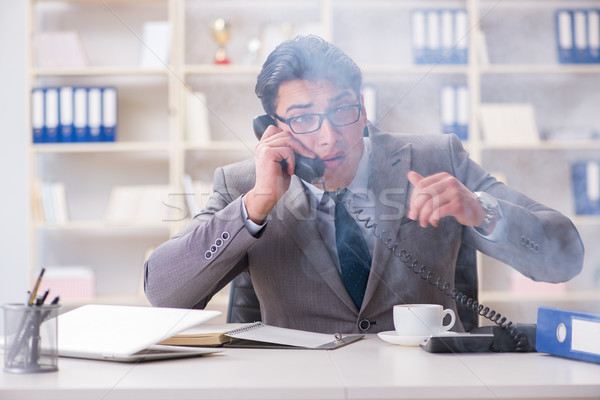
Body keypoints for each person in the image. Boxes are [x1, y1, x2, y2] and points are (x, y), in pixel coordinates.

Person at [144, 35, 584, 334]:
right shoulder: (241, 183)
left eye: (342, 110)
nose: (329, 136)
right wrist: (256, 204)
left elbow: (564, 260)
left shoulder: (437, 158)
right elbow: (163, 295)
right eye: (302, 119)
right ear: (271, 127)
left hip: (426, 384)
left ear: (362, 103)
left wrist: (482, 210)